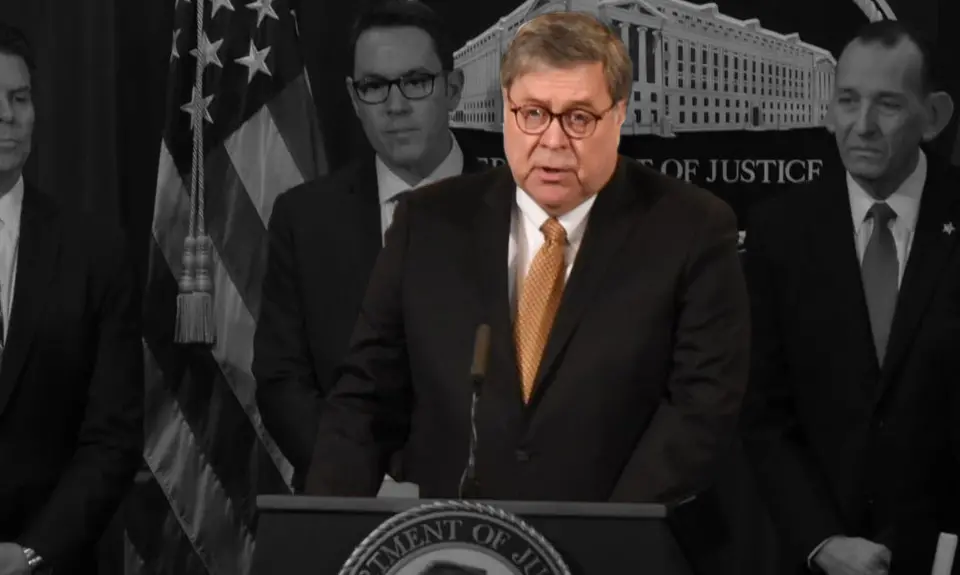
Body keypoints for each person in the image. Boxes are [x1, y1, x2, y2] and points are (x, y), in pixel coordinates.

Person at [303, 10, 749, 508]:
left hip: (619, 538)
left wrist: (607, 532)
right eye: (532, 113)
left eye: (578, 117)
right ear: (506, 109)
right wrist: (323, 528)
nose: (552, 142)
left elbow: (700, 409)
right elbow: (364, 402)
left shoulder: (690, 228)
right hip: (459, 539)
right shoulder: (427, 224)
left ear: (619, 114)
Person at [741, 20, 958, 575]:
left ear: (933, 116)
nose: (861, 126)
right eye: (848, 100)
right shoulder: (778, 232)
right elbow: (761, 411)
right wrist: (821, 541)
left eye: (888, 104)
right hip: (816, 558)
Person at [253, 0, 487, 493]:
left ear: (453, 89)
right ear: (353, 98)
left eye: (416, 81)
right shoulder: (304, 219)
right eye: (375, 86)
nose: (395, 106)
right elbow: (282, 381)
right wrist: (360, 484)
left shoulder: (519, 210)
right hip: (346, 503)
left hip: (485, 504)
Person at [0, 23, 143, 575]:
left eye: (20, 98)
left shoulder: (93, 252)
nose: (8, 115)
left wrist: (32, 553)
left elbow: (112, 436)